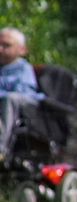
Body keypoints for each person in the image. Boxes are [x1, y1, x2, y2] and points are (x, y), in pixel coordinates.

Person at [0, 27, 45, 162]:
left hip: (25, 106)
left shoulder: (23, 69)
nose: (0, 49)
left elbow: (22, 92)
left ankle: (1, 150)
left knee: (9, 98)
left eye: (6, 45)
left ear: (22, 50)